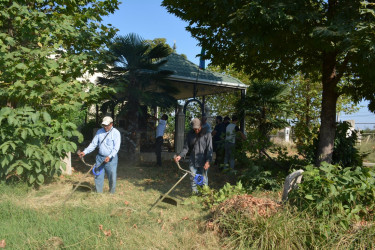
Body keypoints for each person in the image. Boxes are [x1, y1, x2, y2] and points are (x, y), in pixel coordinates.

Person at [78, 116, 121, 193]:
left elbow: (116, 148)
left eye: (107, 125)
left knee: (112, 176)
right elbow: (93, 144)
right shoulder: (99, 132)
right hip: (100, 157)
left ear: (111, 124)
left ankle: (111, 193)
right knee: (98, 175)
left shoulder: (116, 133)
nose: (105, 127)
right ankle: (99, 193)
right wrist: (85, 152)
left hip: (111, 159)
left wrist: (109, 156)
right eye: (104, 125)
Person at [174, 118, 213, 193]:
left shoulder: (207, 134)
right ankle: (195, 193)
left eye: (198, 129)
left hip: (204, 160)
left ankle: (204, 193)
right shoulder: (190, 134)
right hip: (193, 160)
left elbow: (210, 149)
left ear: (201, 126)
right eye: (195, 129)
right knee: (195, 177)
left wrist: (208, 161)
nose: (197, 131)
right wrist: (180, 156)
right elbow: (186, 148)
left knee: (204, 178)